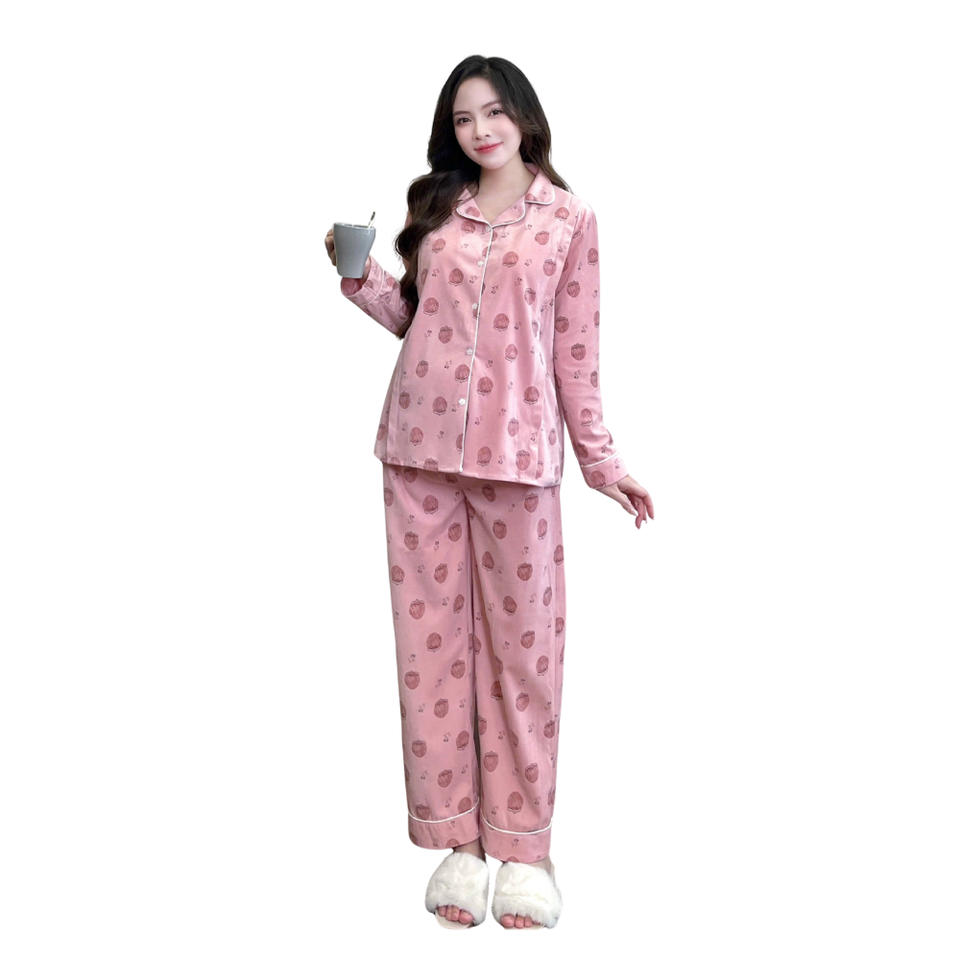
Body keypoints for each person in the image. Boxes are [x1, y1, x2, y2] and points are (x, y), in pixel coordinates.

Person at [325, 54, 654, 930]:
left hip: (518, 459)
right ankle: (459, 842)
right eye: (464, 118)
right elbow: (413, 321)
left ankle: (525, 849)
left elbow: (576, 352)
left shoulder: (570, 219)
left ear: (525, 115)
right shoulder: (439, 207)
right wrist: (358, 276)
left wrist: (603, 463)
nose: (481, 130)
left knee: (523, 657)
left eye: (495, 111)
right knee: (430, 652)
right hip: (418, 451)